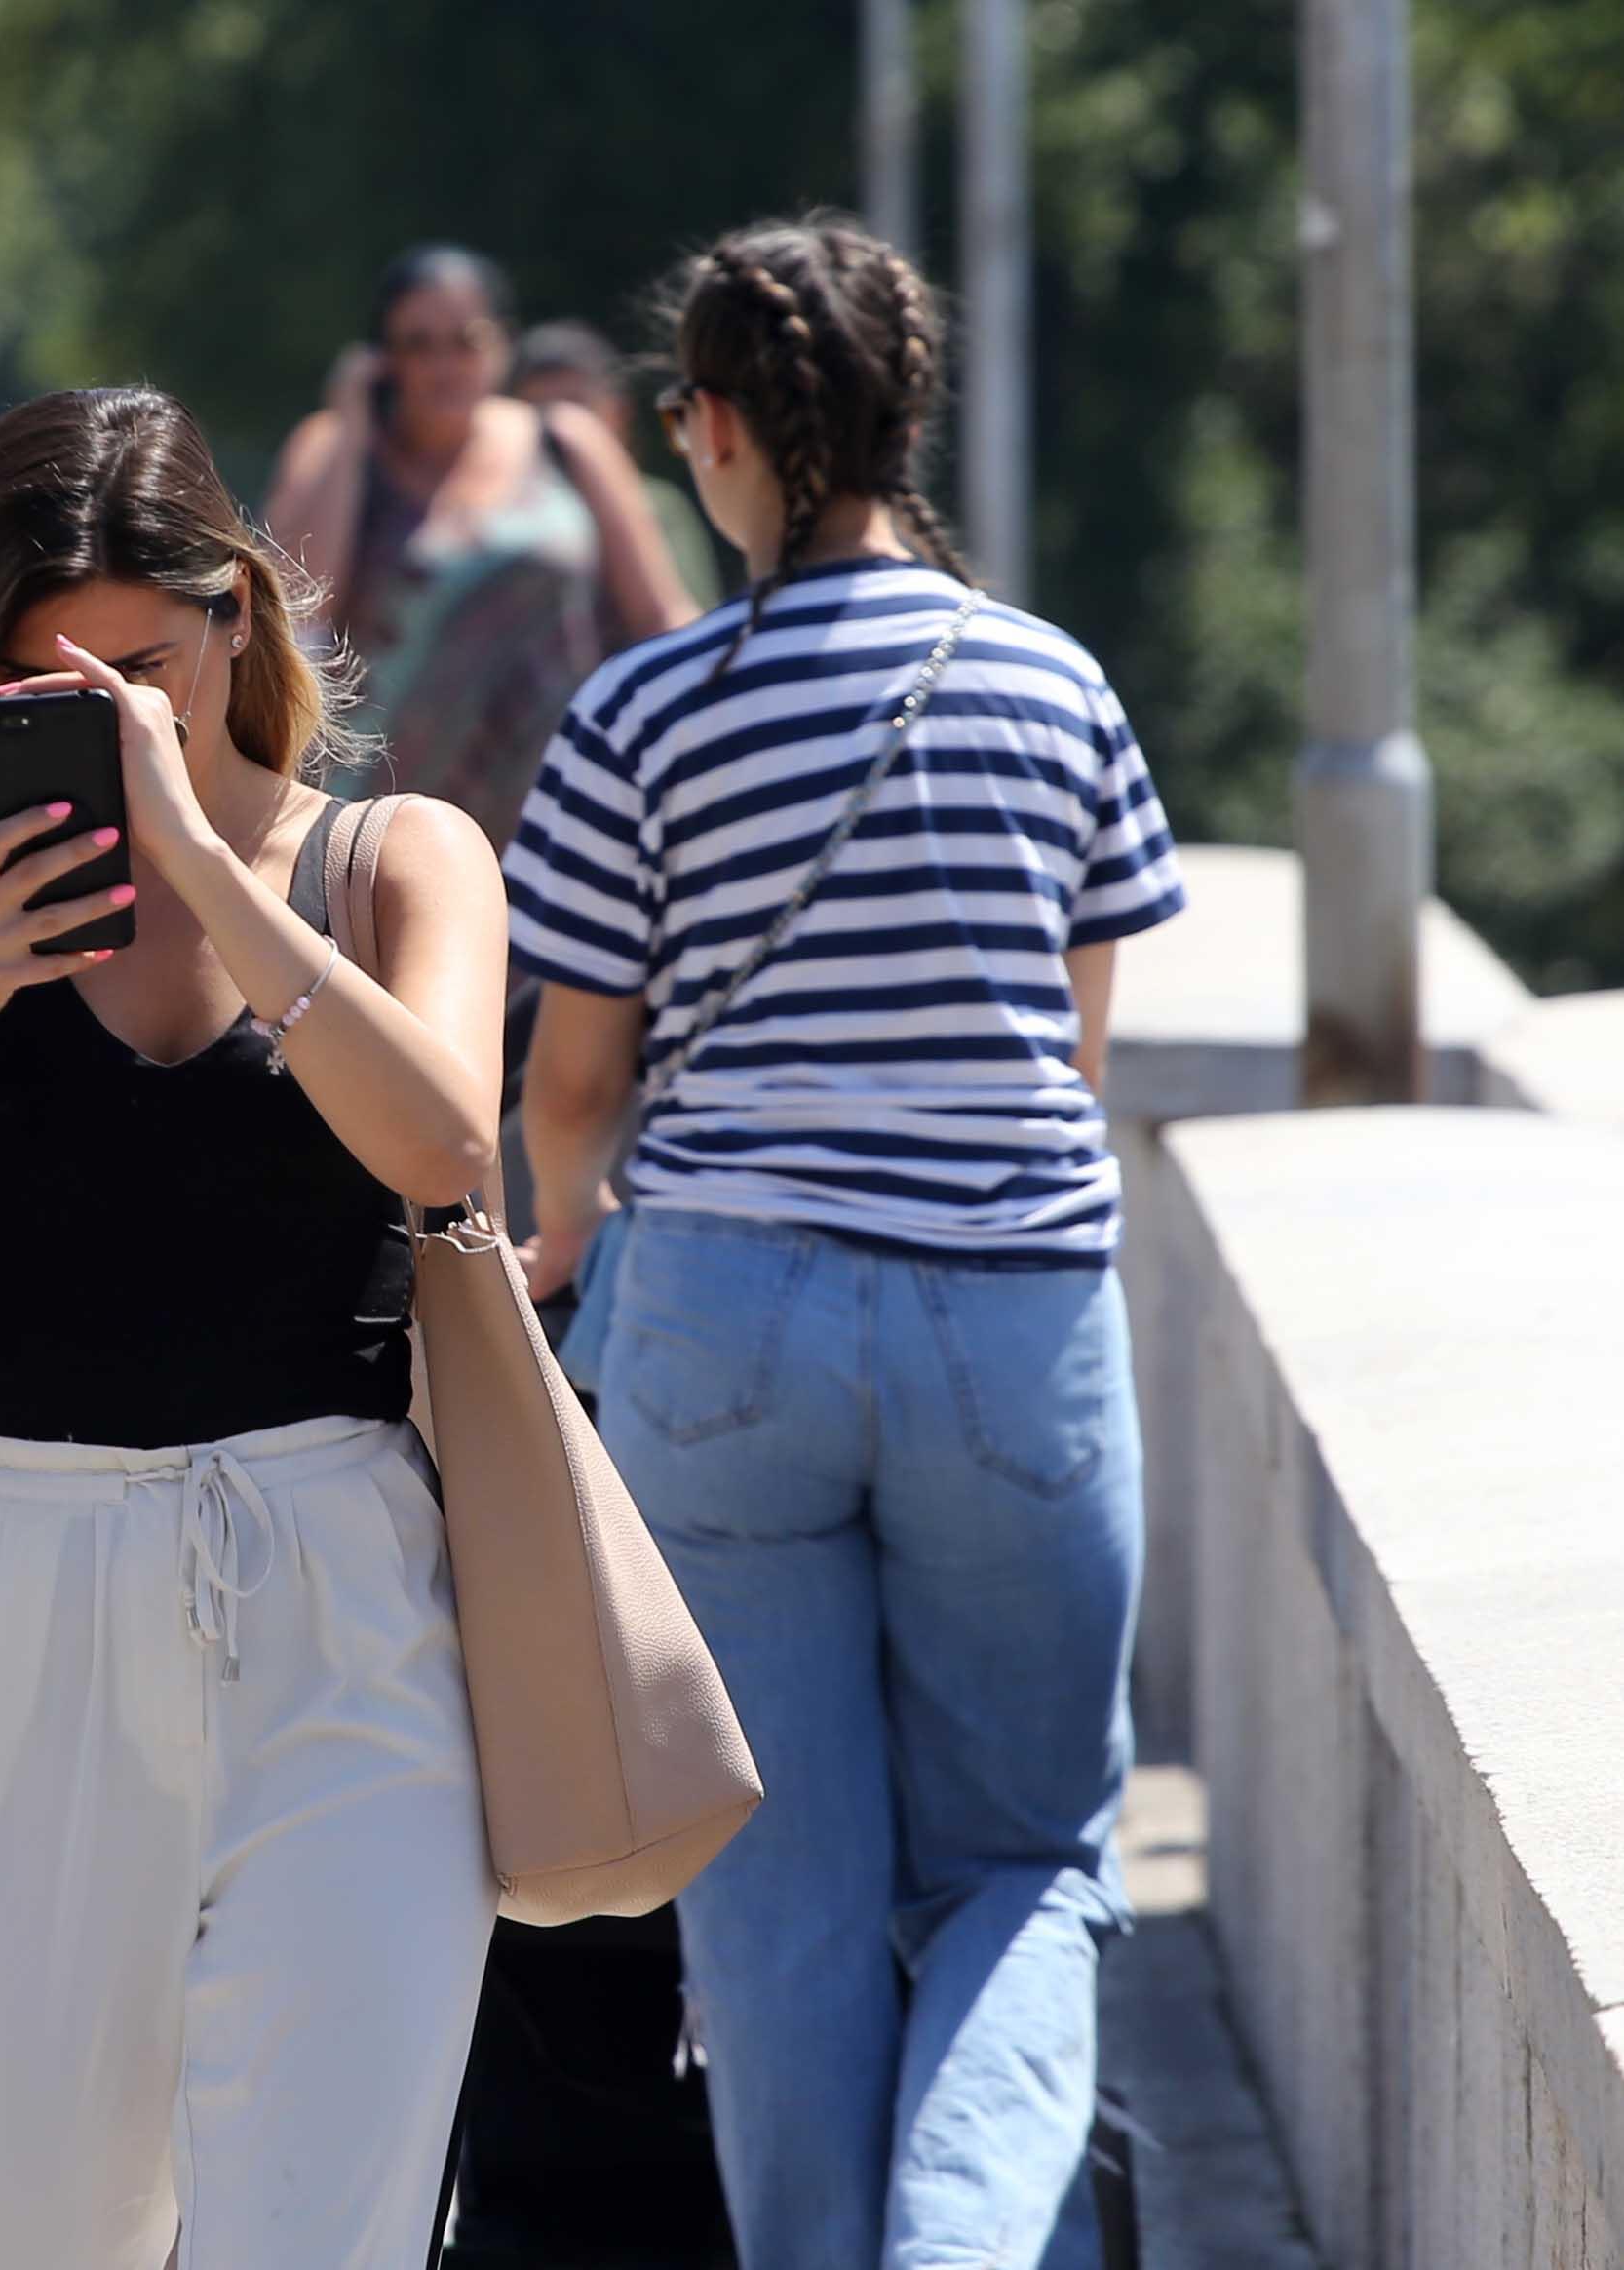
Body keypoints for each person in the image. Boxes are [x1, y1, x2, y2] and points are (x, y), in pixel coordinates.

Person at [0, 384, 513, 2268]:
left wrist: (203, 864)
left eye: (140, 671)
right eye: (41, 692)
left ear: (236, 614)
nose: (98, 722)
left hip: (342, 1609)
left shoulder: (393, 862)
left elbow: (445, 1147)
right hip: (2, 1598)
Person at [505, 216, 1185, 2269]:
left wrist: (560, 1246)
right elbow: (1066, 1045)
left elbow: (574, 1083)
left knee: (774, 1891)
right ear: (913, 419)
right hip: (1007, 1320)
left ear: (710, 433)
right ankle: (967, 2247)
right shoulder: (1053, 686)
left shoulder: (643, 715)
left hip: (720, 1324)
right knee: (1024, 1862)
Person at [266, 243, 699, 846]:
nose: (446, 364)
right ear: (383, 358)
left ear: (503, 344)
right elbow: (295, 613)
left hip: (557, 807)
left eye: (467, 339)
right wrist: (352, 421)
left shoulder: (566, 443)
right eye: (419, 344)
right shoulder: (334, 450)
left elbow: (661, 616)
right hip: (377, 827)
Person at [514, 316, 726, 618]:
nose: (562, 431)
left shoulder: (658, 507)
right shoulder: (502, 518)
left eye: (578, 409)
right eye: (543, 416)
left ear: (618, 413)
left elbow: (688, 623)